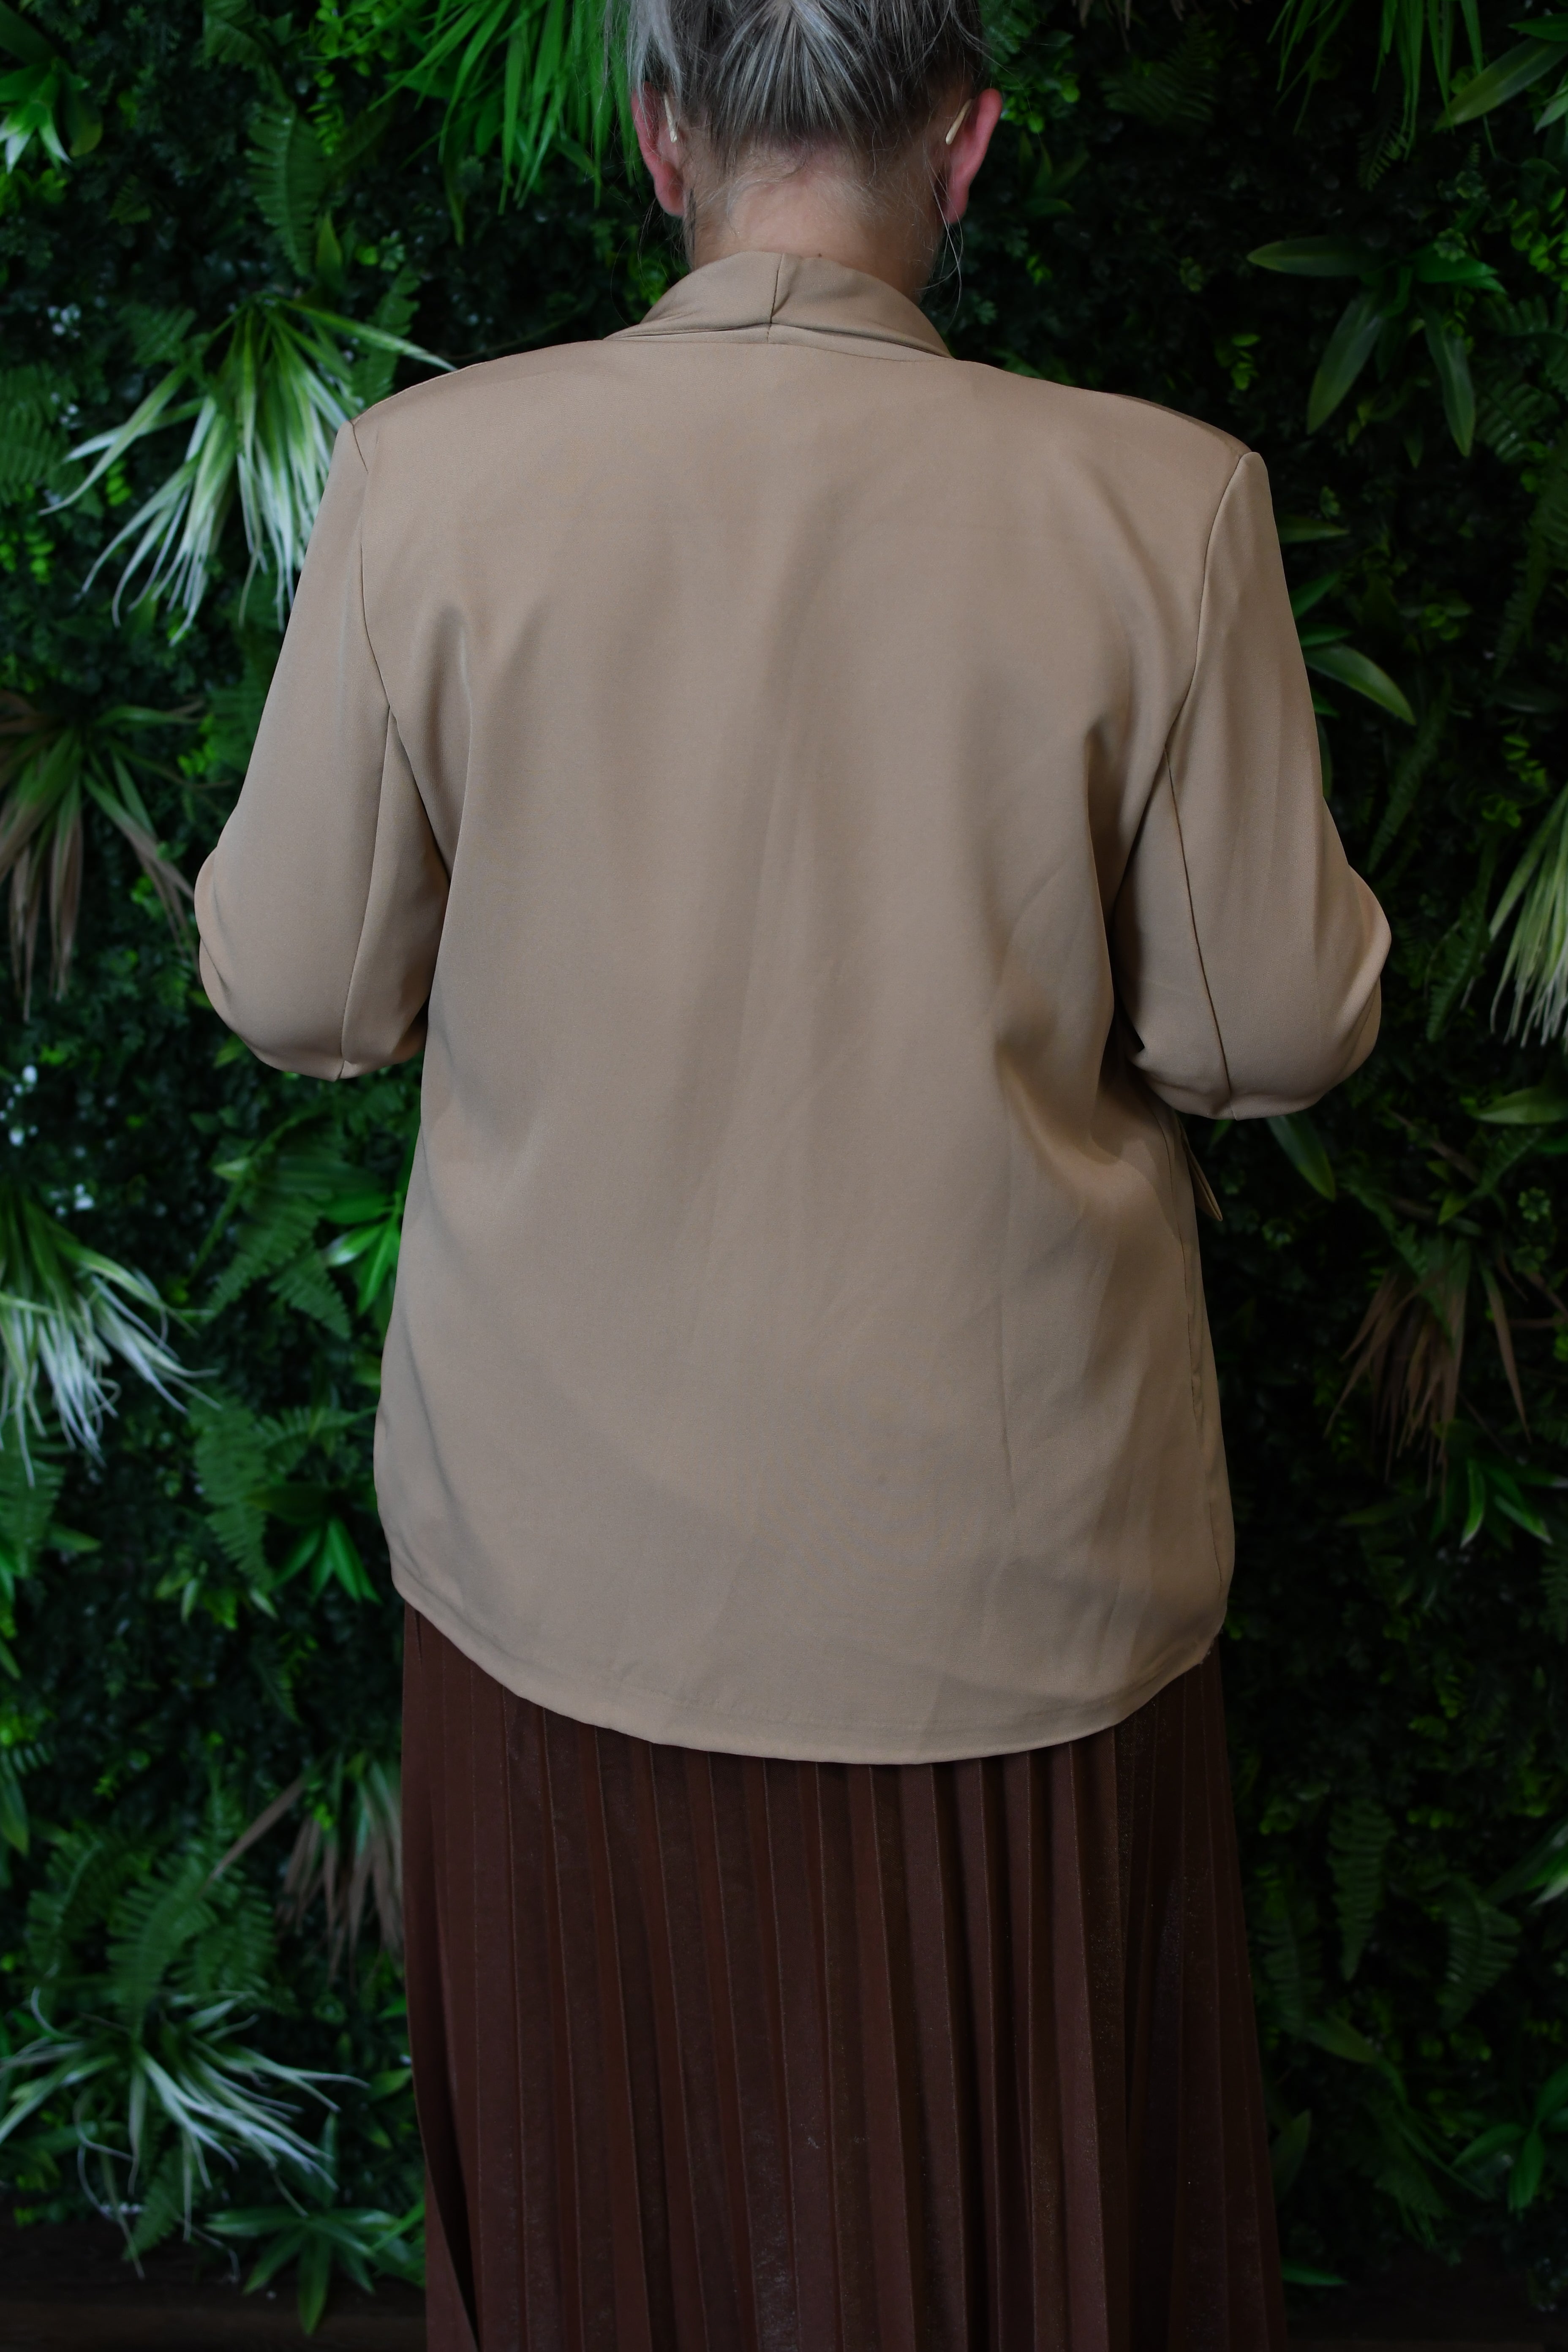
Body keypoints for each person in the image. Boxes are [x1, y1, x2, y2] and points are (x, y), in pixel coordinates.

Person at [195, 0, 1389, 2336]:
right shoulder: (1165, 503)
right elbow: (1264, 1030)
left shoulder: (433, 476)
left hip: (565, 1591)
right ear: (970, 144)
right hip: (1015, 1602)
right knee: (1012, 2231)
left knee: (608, 2230)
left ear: (663, 138)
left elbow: (302, 987)